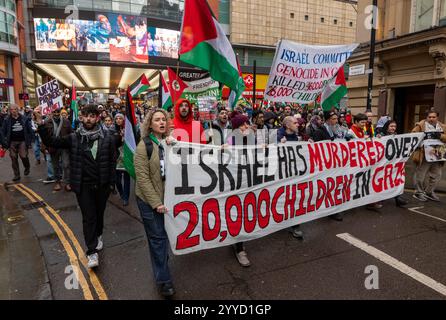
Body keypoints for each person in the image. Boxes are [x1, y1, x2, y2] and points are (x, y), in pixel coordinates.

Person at [35, 105, 119, 269]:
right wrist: (40, 124)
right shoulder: (74, 138)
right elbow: (51, 141)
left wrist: (111, 184)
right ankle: (91, 251)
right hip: (83, 186)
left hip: (102, 186)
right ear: (81, 118)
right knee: (89, 217)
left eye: (92, 116)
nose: (88, 119)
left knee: (99, 214)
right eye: (85, 116)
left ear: (97, 118)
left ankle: (99, 234)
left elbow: (112, 162)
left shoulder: (108, 138)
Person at [134, 108, 175, 297]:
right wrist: (156, 202)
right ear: (150, 124)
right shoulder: (144, 146)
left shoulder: (170, 143)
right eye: (157, 120)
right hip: (149, 201)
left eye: (163, 119)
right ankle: (164, 280)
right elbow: (142, 179)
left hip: (167, 199)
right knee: (158, 239)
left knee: (163, 237)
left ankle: (161, 264)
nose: (161, 122)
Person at [227, 111, 252, 267]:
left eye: (247, 123)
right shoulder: (230, 140)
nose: (247, 126)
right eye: (243, 124)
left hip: (249, 180)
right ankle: (239, 248)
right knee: (238, 213)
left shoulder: (250, 138)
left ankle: (238, 242)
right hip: (234, 183)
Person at [277, 116, 305, 239]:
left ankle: (295, 225)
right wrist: (277, 144)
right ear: (288, 126)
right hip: (280, 174)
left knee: (295, 197)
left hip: (293, 173)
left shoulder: (296, 136)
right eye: (295, 123)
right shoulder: (277, 135)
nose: (298, 124)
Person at [411, 110, 446, 202]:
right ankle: (418, 192)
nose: (431, 119)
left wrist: (440, 136)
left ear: (437, 118)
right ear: (427, 117)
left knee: (437, 175)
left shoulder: (442, 127)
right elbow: (413, 136)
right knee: (420, 175)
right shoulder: (420, 125)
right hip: (424, 154)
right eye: (429, 117)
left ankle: (429, 192)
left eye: (433, 117)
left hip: (438, 154)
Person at [0, 104, 33, 181]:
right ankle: (17, 175)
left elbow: (29, 129)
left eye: (14, 109)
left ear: (17, 110)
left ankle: (27, 167)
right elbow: (2, 131)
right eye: (11, 110)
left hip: (22, 141)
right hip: (11, 141)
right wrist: (3, 143)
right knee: (13, 157)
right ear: (10, 111)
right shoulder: (7, 119)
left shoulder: (24, 118)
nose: (13, 111)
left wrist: (31, 140)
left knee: (24, 156)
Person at [380, 120, 409, 207]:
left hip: (394, 162)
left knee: (395, 179)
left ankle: (398, 198)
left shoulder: (397, 136)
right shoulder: (380, 136)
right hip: (383, 163)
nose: (393, 128)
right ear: (387, 127)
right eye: (391, 126)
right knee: (382, 180)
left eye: (394, 126)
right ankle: (379, 198)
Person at [44, 108, 72, 192]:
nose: (56, 113)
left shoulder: (66, 121)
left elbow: (71, 133)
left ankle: (67, 183)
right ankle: (57, 182)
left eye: (58, 112)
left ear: (60, 112)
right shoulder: (47, 122)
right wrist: (45, 147)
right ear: (51, 112)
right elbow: (44, 137)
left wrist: (71, 144)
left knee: (66, 165)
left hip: (64, 146)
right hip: (53, 147)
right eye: (54, 112)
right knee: (55, 166)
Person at [113, 113, 130, 206]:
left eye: (120, 118)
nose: (118, 120)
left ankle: (126, 197)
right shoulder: (112, 130)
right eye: (117, 118)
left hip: (126, 157)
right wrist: (120, 137)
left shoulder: (128, 130)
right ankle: (122, 194)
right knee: (117, 180)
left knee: (127, 179)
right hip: (117, 158)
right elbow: (113, 143)